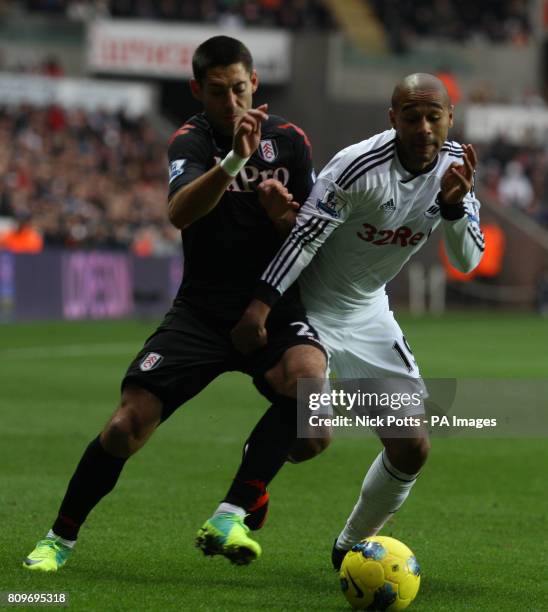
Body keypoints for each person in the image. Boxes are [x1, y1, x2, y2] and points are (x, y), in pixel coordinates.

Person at [23, 35, 328, 572]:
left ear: (255, 83)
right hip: (203, 313)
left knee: (313, 420)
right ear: (197, 91)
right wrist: (235, 161)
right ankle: (59, 538)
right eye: (217, 92)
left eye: (239, 88)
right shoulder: (190, 141)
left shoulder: (291, 140)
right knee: (125, 427)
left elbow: (306, 231)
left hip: (273, 306)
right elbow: (181, 213)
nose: (232, 103)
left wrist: (283, 216)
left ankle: (237, 503)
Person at [231, 73, 485, 569]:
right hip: (311, 309)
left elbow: (468, 261)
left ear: (449, 119)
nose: (424, 128)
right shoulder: (357, 166)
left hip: (367, 311)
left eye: (434, 117)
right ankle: (258, 461)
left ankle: (349, 548)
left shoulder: (457, 166)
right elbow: (302, 240)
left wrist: (454, 208)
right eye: (412, 117)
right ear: (393, 120)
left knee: (411, 447)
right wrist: (260, 308)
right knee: (309, 440)